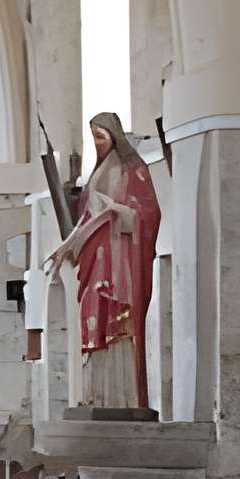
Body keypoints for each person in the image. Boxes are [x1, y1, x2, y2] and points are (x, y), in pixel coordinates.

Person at [43, 111, 163, 410]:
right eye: (93, 137)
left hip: (121, 261)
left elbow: (147, 215)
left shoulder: (133, 170)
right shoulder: (97, 173)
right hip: (96, 257)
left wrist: (115, 211)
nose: (96, 143)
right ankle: (96, 393)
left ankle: (123, 397)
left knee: (117, 323)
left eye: (101, 136)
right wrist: (66, 246)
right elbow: (85, 218)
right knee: (93, 316)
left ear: (114, 137)